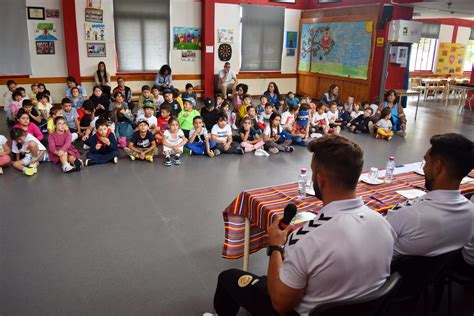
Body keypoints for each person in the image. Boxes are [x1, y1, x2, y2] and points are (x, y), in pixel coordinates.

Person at [209, 135, 395, 316]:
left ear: (321, 179)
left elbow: (280, 304)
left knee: (228, 278)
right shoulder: (383, 224)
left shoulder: (306, 239)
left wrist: (275, 246)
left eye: (313, 171)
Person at [386, 133, 474, 257]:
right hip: (437, 274)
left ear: (437, 167)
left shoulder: (410, 216)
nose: (424, 168)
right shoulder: (470, 213)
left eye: (426, 161)